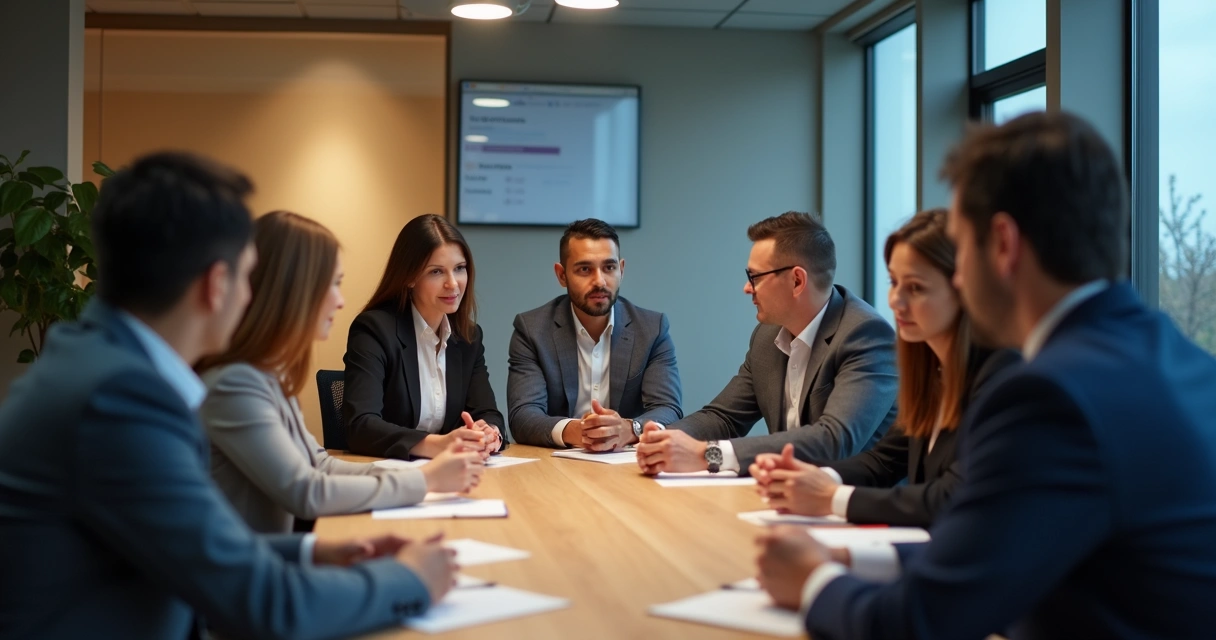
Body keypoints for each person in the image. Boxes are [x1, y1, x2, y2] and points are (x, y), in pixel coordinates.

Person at [756, 112, 1216, 639]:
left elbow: (922, 623)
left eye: (961, 245)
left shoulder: (1049, 396)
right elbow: (1006, 555)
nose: (957, 273)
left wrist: (814, 581)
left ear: (1002, 243)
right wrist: (852, 559)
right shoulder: (1185, 363)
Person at [0, 152, 455, 640]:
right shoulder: (120, 402)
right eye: (248, 276)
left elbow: (191, 547)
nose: (252, 297)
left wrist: (310, 551)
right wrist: (410, 580)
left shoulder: (98, 365)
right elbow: (268, 605)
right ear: (218, 285)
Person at [198, 211, 485, 535]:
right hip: (255, 574)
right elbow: (307, 491)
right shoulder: (235, 384)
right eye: (332, 285)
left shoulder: (268, 374)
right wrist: (425, 480)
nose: (340, 300)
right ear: (290, 291)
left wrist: (425, 477)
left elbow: (320, 466)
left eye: (459, 268)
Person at [750, 209, 1020, 527]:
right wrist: (812, 476)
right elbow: (884, 460)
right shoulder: (933, 373)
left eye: (916, 288)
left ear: (963, 288)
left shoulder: (1004, 376)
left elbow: (952, 496)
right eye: (894, 282)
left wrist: (831, 497)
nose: (895, 300)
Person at [636, 212, 897, 475]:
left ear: (797, 281)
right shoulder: (766, 337)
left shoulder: (865, 335)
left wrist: (708, 454)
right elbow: (724, 417)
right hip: (788, 497)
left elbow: (833, 440)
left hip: (857, 505)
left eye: (755, 277)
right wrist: (661, 438)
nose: (747, 289)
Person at [507, 218, 682, 450]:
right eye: (584, 269)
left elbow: (669, 409)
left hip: (627, 465)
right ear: (561, 275)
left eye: (609, 268)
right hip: (557, 467)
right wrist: (575, 430)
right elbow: (523, 416)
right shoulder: (532, 330)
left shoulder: (651, 329)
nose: (599, 281)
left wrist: (630, 429)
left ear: (621, 270)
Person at [344, 213, 505, 460]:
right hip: (389, 474)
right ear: (409, 277)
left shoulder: (468, 337)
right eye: (436, 272)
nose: (453, 284)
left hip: (453, 473)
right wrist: (437, 445)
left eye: (460, 269)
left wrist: (489, 434)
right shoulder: (374, 330)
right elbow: (361, 425)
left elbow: (487, 412)